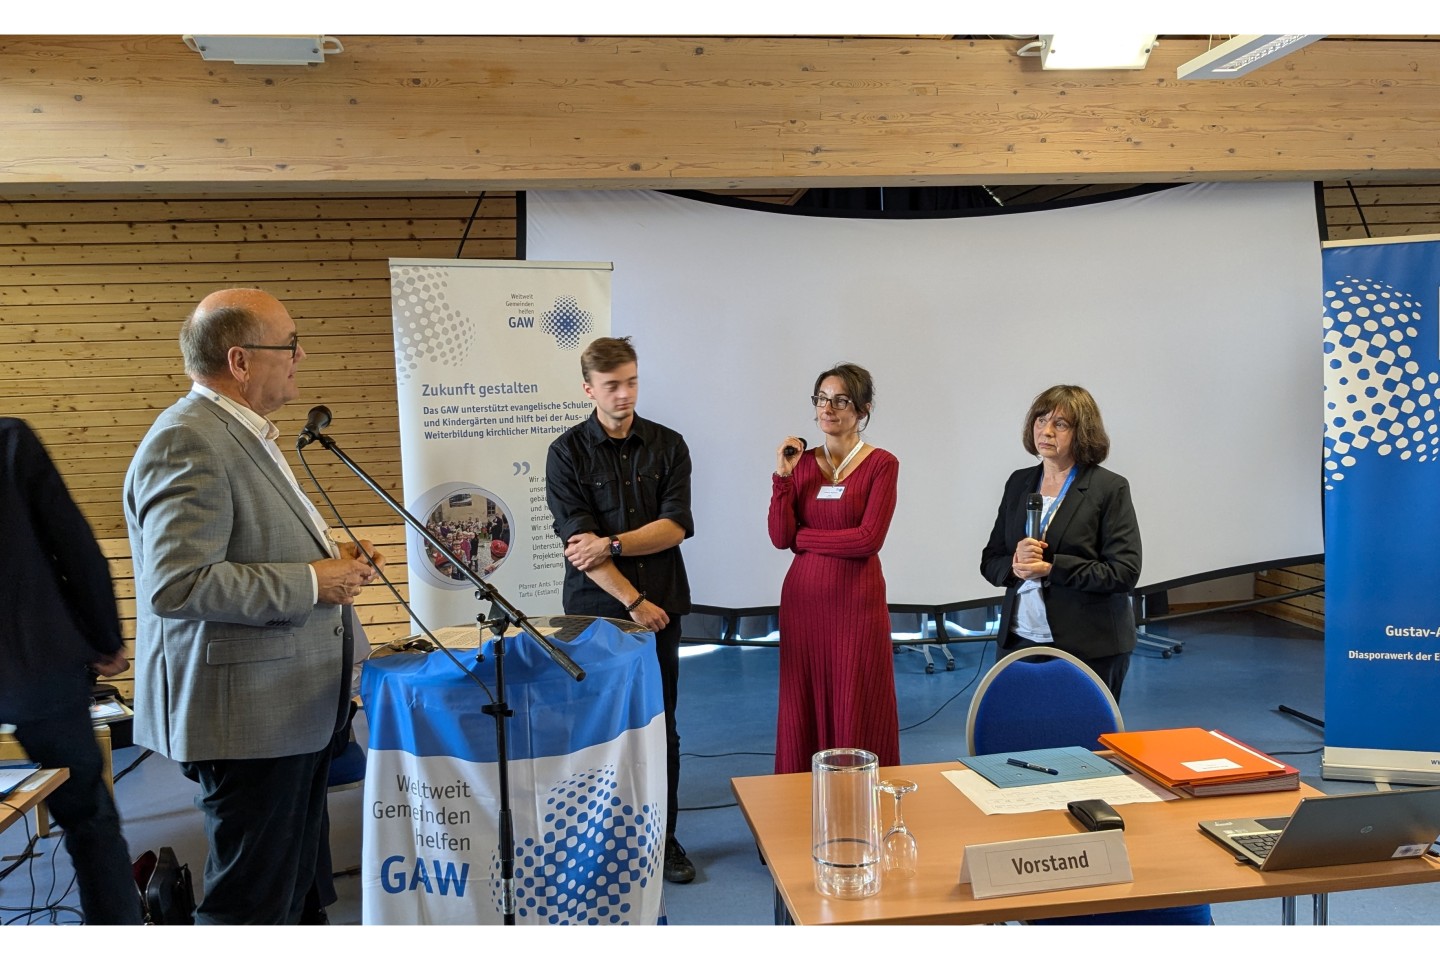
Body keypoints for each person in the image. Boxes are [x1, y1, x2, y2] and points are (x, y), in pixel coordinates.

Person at [124, 288, 383, 924]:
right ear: (240, 361)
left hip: (291, 708)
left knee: (296, 890)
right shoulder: (188, 440)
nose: (301, 355)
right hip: (248, 718)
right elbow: (178, 584)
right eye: (289, 343)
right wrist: (311, 582)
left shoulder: (243, 431)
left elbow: (247, 541)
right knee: (253, 903)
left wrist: (327, 555)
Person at [545, 336, 697, 884]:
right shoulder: (566, 453)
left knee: (662, 725)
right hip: (597, 613)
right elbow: (576, 545)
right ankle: (597, 842)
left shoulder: (669, 445)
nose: (625, 393)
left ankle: (666, 839)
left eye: (632, 381)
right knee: (596, 726)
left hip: (662, 609)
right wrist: (632, 599)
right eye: (613, 385)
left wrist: (610, 544)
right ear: (589, 389)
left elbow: (674, 527)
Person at [0, 418, 143, 925]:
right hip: (34, 662)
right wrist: (105, 639)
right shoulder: (9, 440)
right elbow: (74, 545)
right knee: (88, 818)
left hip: (31, 661)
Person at [769, 363, 900, 775]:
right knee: (801, 702)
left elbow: (867, 540)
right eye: (822, 399)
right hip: (803, 603)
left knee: (856, 700)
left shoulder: (882, 464)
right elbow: (779, 535)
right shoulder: (801, 463)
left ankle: (860, 802)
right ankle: (795, 807)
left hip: (857, 602)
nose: (829, 408)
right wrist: (783, 477)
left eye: (841, 400)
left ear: (863, 409)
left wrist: (804, 539)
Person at [979, 384, 1140, 699]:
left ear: (1082, 432)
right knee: (1023, 738)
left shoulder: (1109, 488)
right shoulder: (1019, 482)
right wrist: (1014, 563)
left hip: (1090, 646)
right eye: (1041, 421)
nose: (1047, 431)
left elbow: (1124, 571)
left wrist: (1051, 568)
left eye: (1060, 424)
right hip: (1020, 641)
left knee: (1081, 743)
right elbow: (990, 560)